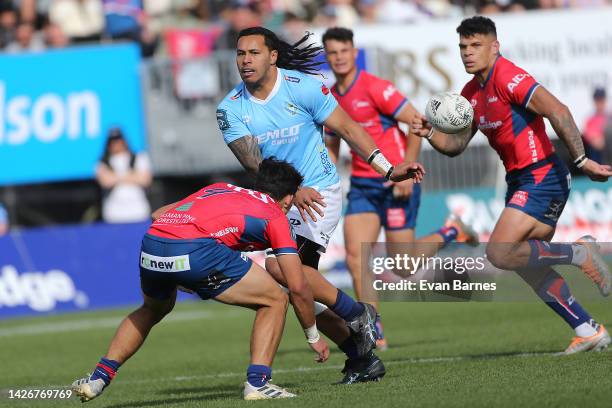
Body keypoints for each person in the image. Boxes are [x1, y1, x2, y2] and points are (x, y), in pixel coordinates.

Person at [216, 26, 425, 383]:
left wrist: (388, 169)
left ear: (273, 56)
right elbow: (255, 164)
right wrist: (290, 192)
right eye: (240, 54)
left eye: (253, 53)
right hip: (283, 201)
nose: (245, 61)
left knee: (282, 270)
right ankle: (361, 357)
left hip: (320, 194)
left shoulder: (305, 87)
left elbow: (348, 128)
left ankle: (357, 312)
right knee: (297, 292)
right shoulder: (230, 109)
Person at [410, 16, 612, 354]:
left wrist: (581, 161)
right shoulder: (471, 93)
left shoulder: (509, 77)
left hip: (542, 174)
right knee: (526, 263)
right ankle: (587, 328)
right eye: (463, 47)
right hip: (520, 179)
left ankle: (581, 252)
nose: (468, 53)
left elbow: (558, 111)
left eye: (476, 46)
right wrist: (430, 133)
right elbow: (456, 146)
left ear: (495, 47)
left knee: (499, 252)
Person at [71, 158, 330, 402]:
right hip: (194, 250)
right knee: (274, 299)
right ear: (287, 198)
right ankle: (258, 383)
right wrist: (313, 336)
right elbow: (297, 286)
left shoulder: (220, 188)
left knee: (152, 308)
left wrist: (179, 269)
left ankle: (98, 378)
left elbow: (158, 214)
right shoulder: (275, 215)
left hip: (153, 242)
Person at [322, 27, 479, 350]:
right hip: (364, 186)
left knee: (403, 267)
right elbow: (333, 144)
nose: (338, 57)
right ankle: (372, 328)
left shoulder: (375, 87)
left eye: (343, 51)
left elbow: (416, 122)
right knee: (355, 257)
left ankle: (453, 230)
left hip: (396, 182)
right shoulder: (331, 97)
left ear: (354, 53)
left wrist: (406, 171)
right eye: (332, 52)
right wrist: (322, 181)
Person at [96, 127, 153, 224]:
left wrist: (115, 176)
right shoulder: (103, 162)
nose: (116, 144)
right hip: (114, 214)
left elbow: (145, 180)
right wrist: (132, 175)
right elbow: (105, 182)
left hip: (138, 212)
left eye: (118, 140)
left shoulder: (139, 157)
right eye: (113, 142)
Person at [582, 87, 608, 165]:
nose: (599, 103)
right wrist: (596, 140)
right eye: (597, 100)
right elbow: (587, 135)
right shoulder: (590, 120)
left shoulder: (609, 117)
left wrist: (604, 140)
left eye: (601, 100)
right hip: (597, 157)